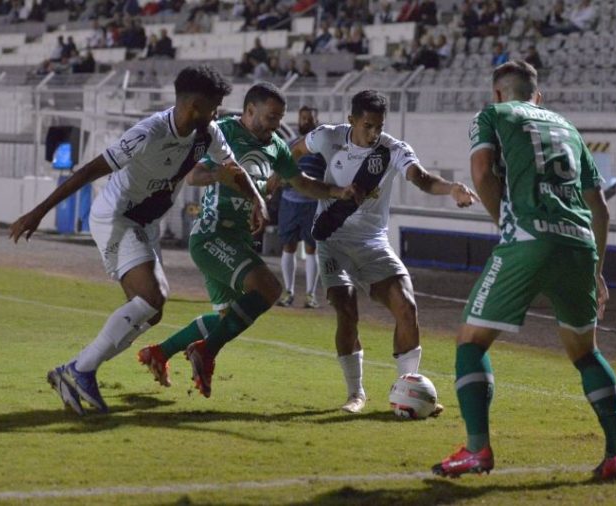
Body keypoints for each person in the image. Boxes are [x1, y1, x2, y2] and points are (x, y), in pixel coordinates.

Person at [9, 66, 265, 416]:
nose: (218, 113)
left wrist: (257, 199)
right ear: (194, 105)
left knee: (151, 311)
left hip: (144, 223)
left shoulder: (209, 133)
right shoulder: (149, 132)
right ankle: (80, 370)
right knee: (152, 296)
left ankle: (75, 369)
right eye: (214, 106)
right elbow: (88, 170)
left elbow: (234, 169)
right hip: (116, 216)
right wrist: (37, 212)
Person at [432, 60, 616, 482]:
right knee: (585, 352)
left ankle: (476, 449)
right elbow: (600, 208)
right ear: (537, 96)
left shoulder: (493, 114)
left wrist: (503, 221)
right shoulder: (568, 128)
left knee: (471, 341)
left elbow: (483, 172)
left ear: (497, 93)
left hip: (528, 239)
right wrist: (596, 269)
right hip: (579, 244)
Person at [137, 82, 356, 396]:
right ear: (249, 110)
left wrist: (336, 192)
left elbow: (302, 183)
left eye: (279, 118)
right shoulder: (222, 132)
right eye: (269, 117)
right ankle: (205, 353)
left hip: (237, 242)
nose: (275, 124)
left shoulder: (277, 146)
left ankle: (159, 353)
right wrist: (220, 175)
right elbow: (193, 175)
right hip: (212, 234)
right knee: (269, 288)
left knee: (228, 320)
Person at [289, 90, 477, 414]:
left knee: (406, 306)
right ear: (352, 120)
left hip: (373, 242)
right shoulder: (328, 137)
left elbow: (421, 178)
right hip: (332, 239)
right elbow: (293, 150)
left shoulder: (392, 150)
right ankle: (355, 394)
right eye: (367, 125)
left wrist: (451, 189)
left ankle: (407, 391)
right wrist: (281, 177)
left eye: (379, 126)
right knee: (346, 311)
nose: (374, 133)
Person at [276, 106, 326, 309]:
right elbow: (280, 171)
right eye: (302, 117)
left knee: (312, 248)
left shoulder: (322, 147)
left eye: (309, 118)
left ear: (316, 120)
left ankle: (310, 295)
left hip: (313, 203)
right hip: (289, 201)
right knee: (288, 246)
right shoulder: (291, 144)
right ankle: (288, 292)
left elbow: (329, 174)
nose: (305, 121)